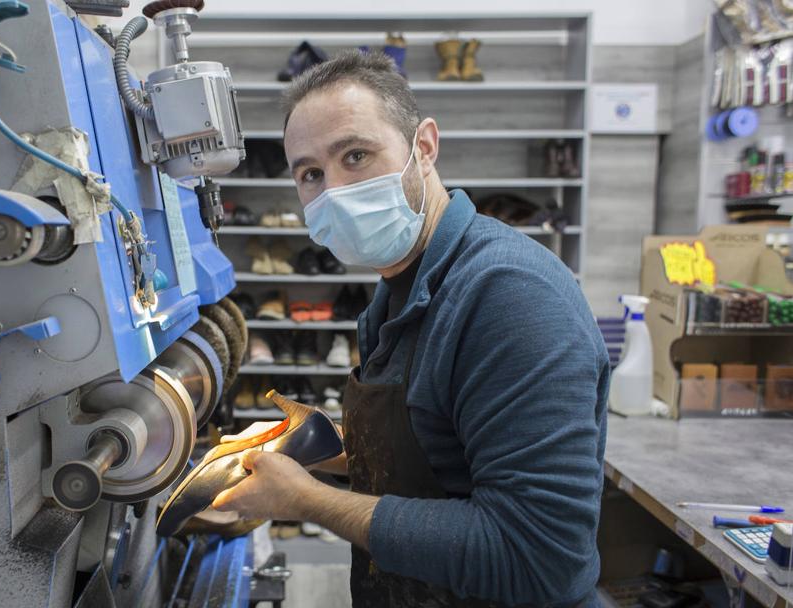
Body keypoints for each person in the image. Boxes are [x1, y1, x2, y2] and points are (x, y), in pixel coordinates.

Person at [213, 51, 609, 607]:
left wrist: (307, 501)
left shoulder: (509, 296)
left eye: (356, 155)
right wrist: (302, 449)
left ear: (423, 147)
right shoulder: (397, 289)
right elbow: (439, 459)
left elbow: (539, 556)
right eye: (310, 174)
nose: (335, 190)